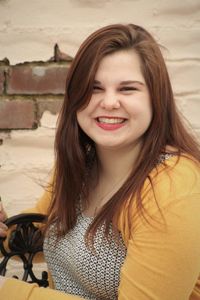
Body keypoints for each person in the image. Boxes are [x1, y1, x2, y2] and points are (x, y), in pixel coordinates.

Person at [0, 23, 200, 300]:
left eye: (127, 89)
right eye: (94, 88)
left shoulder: (174, 185)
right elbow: (35, 239)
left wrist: (9, 292)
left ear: (157, 99)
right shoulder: (81, 162)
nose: (108, 102)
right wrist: (3, 234)